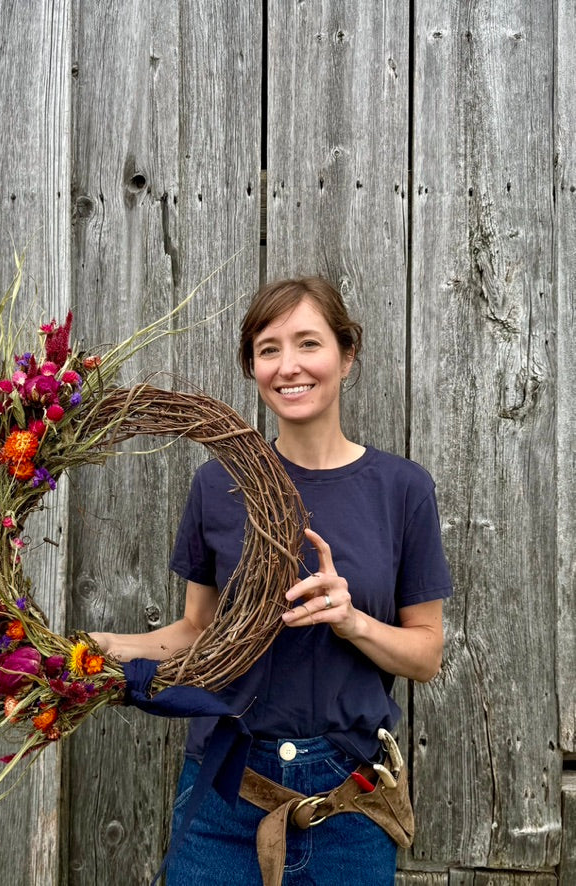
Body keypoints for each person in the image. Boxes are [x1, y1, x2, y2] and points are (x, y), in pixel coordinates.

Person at [90, 276, 452, 885]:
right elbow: (197, 632)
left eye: (309, 343)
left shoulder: (402, 490)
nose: (289, 366)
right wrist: (94, 648)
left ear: (346, 356)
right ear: (252, 367)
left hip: (350, 804)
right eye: (268, 349)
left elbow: (427, 655)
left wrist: (353, 622)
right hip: (227, 789)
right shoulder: (217, 485)